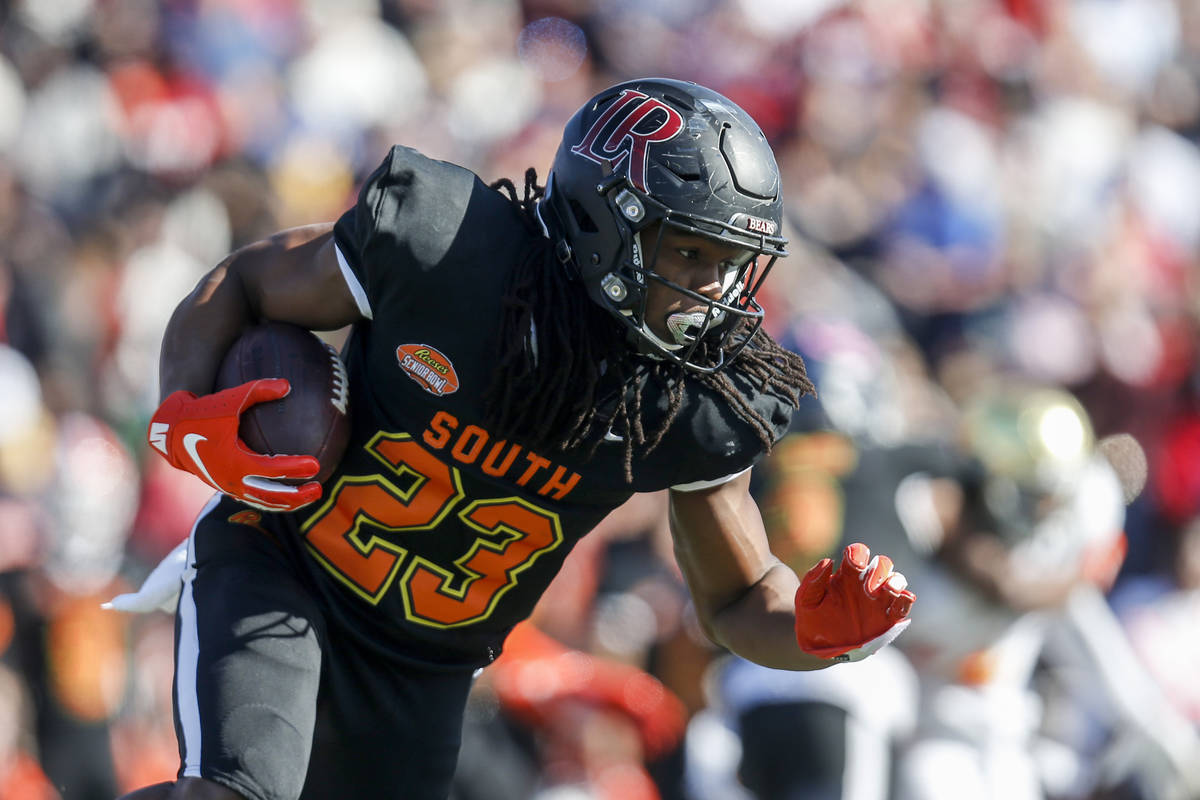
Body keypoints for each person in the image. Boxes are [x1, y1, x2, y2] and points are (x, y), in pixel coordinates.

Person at [113, 78, 916, 800]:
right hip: (286, 568)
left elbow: (740, 599)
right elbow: (250, 280)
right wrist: (184, 408)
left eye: (733, 261)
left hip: (425, 665)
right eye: (693, 252)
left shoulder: (693, 398)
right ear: (605, 223)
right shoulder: (449, 252)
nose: (714, 290)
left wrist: (822, 636)